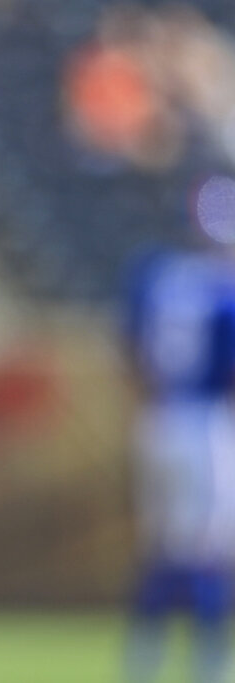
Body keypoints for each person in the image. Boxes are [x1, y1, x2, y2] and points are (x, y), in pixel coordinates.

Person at [121, 233, 235, 683]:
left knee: (162, 552)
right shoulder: (223, 287)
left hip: (155, 418)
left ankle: (141, 664)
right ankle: (209, 669)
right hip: (204, 423)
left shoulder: (158, 277)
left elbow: (130, 350)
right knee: (210, 554)